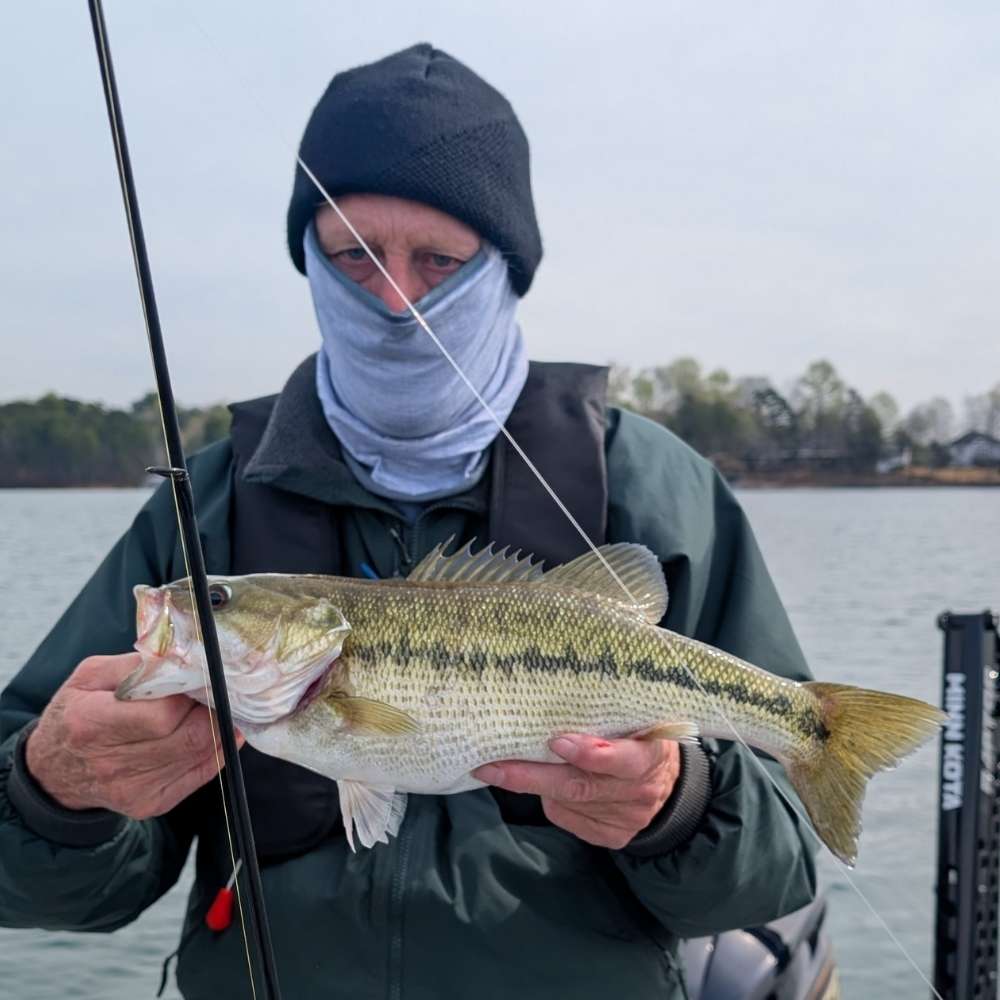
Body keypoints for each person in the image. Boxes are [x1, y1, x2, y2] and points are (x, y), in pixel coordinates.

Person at [0, 44, 816, 999]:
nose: (394, 300)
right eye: (354, 255)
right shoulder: (205, 505)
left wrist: (680, 805)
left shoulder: (656, 486)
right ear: (309, 258)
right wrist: (51, 790)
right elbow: (56, 895)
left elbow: (783, 860)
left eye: (438, 260)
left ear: (505, 269)